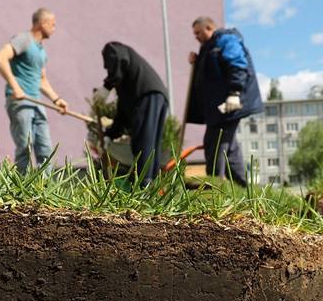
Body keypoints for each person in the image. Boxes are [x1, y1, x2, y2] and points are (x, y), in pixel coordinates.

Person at [185, 16, 264, 187]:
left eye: (198, 32)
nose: (196, 36)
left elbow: (238, 65)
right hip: (219, 107)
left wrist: (235, 93)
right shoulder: (209, 48)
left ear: (209, 28)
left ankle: (214, 185)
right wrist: (197, 61)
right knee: (230, 149)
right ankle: (245, 187)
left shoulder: (227, 40)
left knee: (217, 141)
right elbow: (212, 73)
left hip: (231, 103)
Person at [0, 8, 69, 173]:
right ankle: (22, 191)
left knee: (46, 150)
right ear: (42, 23)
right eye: (53, 25)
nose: (54, 29)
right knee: (25, 147)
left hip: (36, 103)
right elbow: (0, 58)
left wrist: (57, 99)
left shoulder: (41, 51)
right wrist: (16, 87)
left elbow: (42, 80)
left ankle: (46, 191)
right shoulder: (24, 40)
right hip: (20, 102)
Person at [99, 42, 169, 187]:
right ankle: (151, 184)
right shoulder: (127, 85)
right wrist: (109, 135)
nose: (109, 70)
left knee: (144, 140)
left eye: (109, 67)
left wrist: (107, 86)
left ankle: (144, 184)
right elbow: (122, 113)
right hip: (158, 97)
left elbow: (118, 57)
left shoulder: (112, 48)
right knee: (151, 142)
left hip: (148, 95)